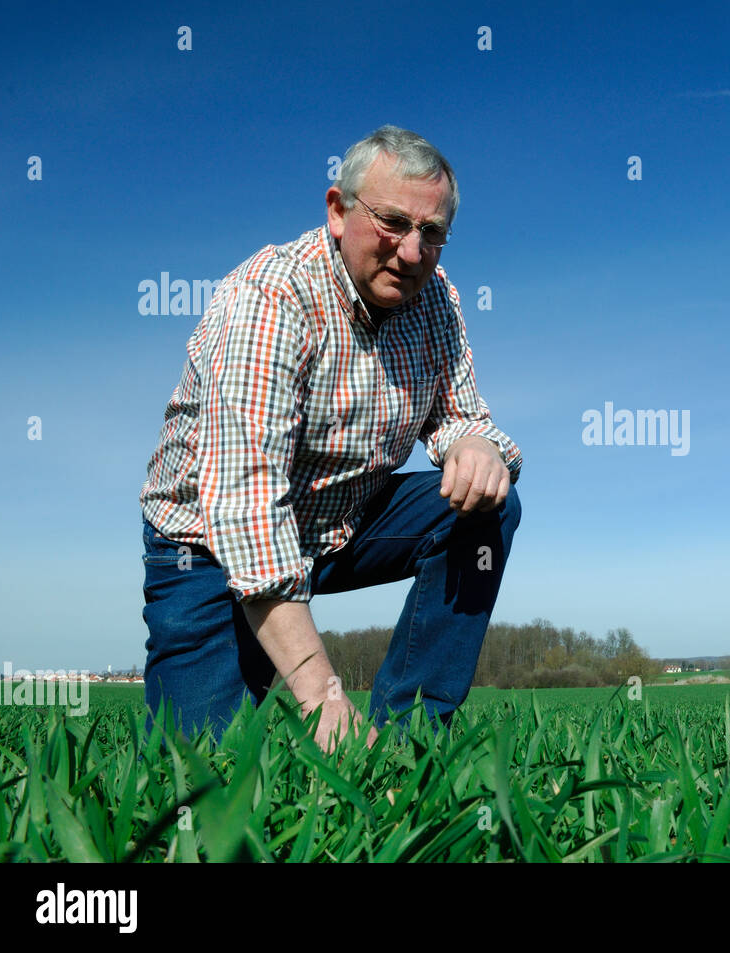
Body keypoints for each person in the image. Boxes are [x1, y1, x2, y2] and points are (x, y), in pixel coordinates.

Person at [139, 125, 522, 752]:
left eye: (433, 234)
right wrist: (321, 694)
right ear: (338, 211)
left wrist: (473, 444)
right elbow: (246, 508)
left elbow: (463, 414)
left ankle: (406, 745)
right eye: (393, 222)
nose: (412, 252)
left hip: (341, 521)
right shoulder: (270, 296)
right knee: (199, 767)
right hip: (208, 543)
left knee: (489, 502)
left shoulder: (435, 302)